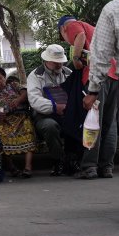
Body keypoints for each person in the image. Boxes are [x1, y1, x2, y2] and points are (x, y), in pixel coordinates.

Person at [81, 0, 119, 179]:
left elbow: (101, 52)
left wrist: (93, 90)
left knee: (94, 119)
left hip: (106, 76)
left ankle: (90, 166)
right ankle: (107, 166)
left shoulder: (113, 9)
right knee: (110, 122)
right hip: (115, 76)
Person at [27, 44, 72, 176]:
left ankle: (74, 158)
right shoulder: (35, 76)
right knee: (50, 126)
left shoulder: (69, 73)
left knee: (79, 122)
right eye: (55, 62)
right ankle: (58, 160)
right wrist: (54, 107)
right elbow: (34, 99)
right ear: (46, 61)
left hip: (67, 113)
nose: (59, 65)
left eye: (61, 62)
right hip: (44, 116)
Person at [0, 67, 35, 178]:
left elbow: (25, 93)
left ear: (4, 77)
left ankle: (28, 167)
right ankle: (11, 167)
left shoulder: (13, 85)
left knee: (27, 127)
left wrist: (18, 100)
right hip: (2, 121)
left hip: (20, 117)